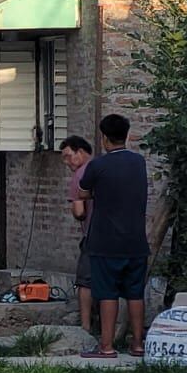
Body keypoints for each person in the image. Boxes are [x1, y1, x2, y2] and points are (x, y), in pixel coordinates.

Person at [78, 114, 150, 358]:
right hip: (136, 241)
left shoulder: (97, 165)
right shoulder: (139, 163)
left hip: (105, 241)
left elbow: (83, 191)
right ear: (127, 135)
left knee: (107, 293)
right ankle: (138, 344)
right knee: (135, 293)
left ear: (104, 138)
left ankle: (106, 346)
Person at [60, 136, 95, 333]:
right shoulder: (103, 168)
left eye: (68, 157)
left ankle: (85, 327)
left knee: (85, 281)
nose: (67, 163)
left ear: (80, 152)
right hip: (117, 235)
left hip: (92, 235)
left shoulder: (80, 175)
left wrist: (75, 210)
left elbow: (80, 212)